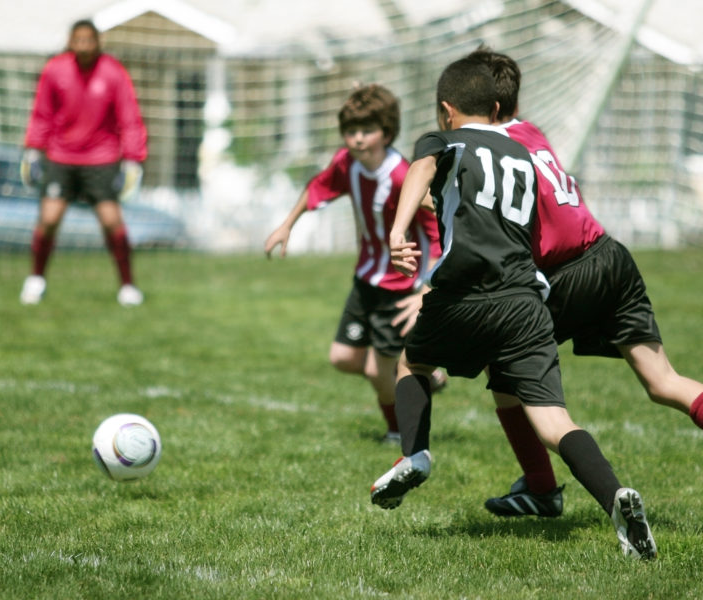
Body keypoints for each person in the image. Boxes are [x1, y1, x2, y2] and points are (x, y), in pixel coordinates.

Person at [368, 57, 656, 560]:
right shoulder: (522, 153)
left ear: (445, 111)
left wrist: (398, 231)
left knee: (412, 362)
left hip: (463, 295)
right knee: (553, 421)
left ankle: (414, 455)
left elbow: (421, 169)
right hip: (525, 301)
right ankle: (615, 497)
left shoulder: (444, 141)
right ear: (499, 107)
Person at [466, 46, 703, 519]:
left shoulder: (488, 152)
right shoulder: (530, 129)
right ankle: (538, 488)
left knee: (503, 369)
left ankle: (541, 487)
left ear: (488, 110)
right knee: (662, 381)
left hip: (567, 273)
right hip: (611, 256)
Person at [264, 84, 445, 444]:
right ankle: (420, 376)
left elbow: (434, 231)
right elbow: (318, 187)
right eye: (351, 131)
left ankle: (398, 433)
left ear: (387, 132)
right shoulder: (347, 164)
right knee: (343, 357)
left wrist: (427, 282)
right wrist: (287, 225)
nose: (358, 139)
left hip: (399, 286)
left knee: (378, 372)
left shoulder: (402, 176)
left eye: (367, 131)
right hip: (366, 279)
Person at [19, 19, 147, 306]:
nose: (85, 46)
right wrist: (32, 149)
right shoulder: (55, 70)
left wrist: (133, 159)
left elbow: (130, 118)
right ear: (71, 41)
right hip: (60, 157)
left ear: (98, 41)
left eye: (90, 40)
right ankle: (36, 279)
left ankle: (127, 286)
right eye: (79, 40)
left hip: (101, 159)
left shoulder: (114, 73)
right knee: (49, 218)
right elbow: (42, 112)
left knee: (112, 221)